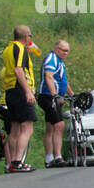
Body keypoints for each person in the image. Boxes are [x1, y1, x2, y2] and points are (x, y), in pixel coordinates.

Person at [0, 25, 39, 173]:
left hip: (9, 90)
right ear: (26, 37)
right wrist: (28, 91)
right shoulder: (20, 49)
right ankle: (17, 161)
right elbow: (18, 70)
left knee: (14, 128)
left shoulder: (7, 49)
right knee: (27, 127)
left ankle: (11, 163)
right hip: (20, 89)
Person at [38, 39, 74, 167]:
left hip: (53, 97)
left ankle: (49, 158)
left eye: (67, 51)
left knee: (51, 127)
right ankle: (58, 157)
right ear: (56, 49)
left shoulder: (60, 62)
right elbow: (48, 76)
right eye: (63, 50)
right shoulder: (51, 59)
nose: (65, 53)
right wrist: (55, 96)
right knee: (59, 125)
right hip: (48, 97)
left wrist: (72, 95)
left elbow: (64, 81)